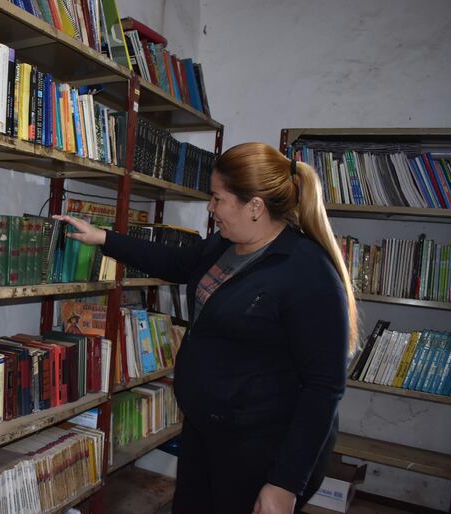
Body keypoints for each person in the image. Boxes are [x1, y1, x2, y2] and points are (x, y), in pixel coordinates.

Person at [55, 142, 357, 514]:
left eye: (217, 199)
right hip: (207, 430)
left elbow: (324, 387)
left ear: (255, 206)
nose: (211, 209)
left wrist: (284, 484)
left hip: (260, 449)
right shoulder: (225, 245)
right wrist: (104, 238)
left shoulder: (307, 272)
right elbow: (174, 262)